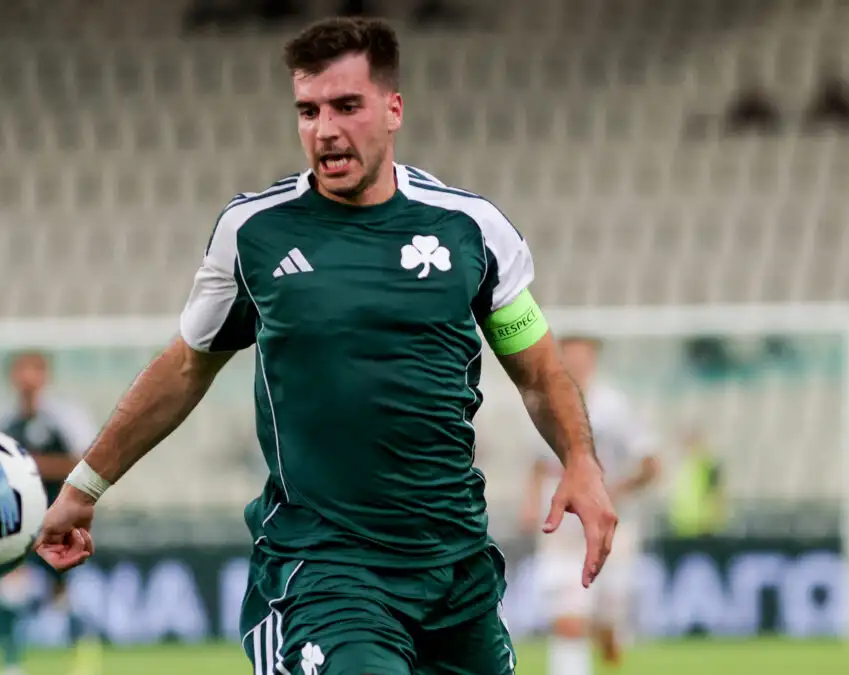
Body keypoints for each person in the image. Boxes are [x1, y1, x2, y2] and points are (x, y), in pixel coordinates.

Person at [35, 17, 617, 675]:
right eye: (308, 111)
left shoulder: (471, 230)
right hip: (327, 569)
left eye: (346, 106)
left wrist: (580, 460)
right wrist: (85, 485)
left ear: (393, 110)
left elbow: (538, 370)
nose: (325, 129)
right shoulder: (254, 233)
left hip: (456, 569)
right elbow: (187, 366)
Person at [520, 336, 660, 675]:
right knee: (568, 619)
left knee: (608, 623)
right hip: (561, 529)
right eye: (569, 356)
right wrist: (531, 502)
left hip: (608, 526)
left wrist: (611, 489)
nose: (576, 364)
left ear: (593, 360)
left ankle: (609, 632)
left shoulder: (615, 407)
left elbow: (650, 464)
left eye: (582, 357)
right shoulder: (545, 405)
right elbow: (539, 463)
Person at [0, 350, 100, 675]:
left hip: (60, 517)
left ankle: (82, 652)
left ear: (45, 375)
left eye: (34, 370)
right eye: (21, 370)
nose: (27, 378)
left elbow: (87, 464)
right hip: (18, 520)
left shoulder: (66, 417)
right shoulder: (2, 421)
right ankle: (11, 662)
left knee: (62, 593)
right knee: (11, 589)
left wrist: (31, 466)